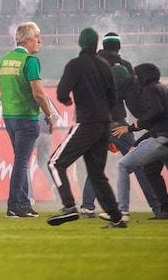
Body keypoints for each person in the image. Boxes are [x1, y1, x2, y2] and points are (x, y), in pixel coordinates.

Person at [47, 28, 124, 228]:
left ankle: (69, 206)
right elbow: (113, 98)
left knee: (56, 163)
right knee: (97, 173)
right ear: (95, 43)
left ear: (81, 43)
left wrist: (66, 100)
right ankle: (116, 218)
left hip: (86, 122)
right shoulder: (105, 66)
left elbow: (62, 92)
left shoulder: (76, 65)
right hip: (104, 124)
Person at [78, 33, 160, 217]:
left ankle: (87, 206)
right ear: (119, 47)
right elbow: (133, 96)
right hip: (116, 122)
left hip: (94, 121)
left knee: (96, 165)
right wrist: (144, 118)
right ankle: (157, 205)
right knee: (135, 162)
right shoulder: (125, 67)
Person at [0, 21, 54, 218]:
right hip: (27, 117)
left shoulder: (4, 61)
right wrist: (49, 114)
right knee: (22, 162)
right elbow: (38, 93)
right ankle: (14, 205)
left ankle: (23, 203)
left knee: (21, 161)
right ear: (27, 39)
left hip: (9, 117)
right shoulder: (30, 62)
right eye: (37, 36)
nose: (40, 40)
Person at [110, 63, 168, 221]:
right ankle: (165, 210)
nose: (136, 79)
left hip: (162, 139)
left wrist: (132, 127)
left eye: (137, 75)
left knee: (123, 165)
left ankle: (122, 211)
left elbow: (155, 113)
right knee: (151, 171)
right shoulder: (163, 89)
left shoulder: (149, 89)